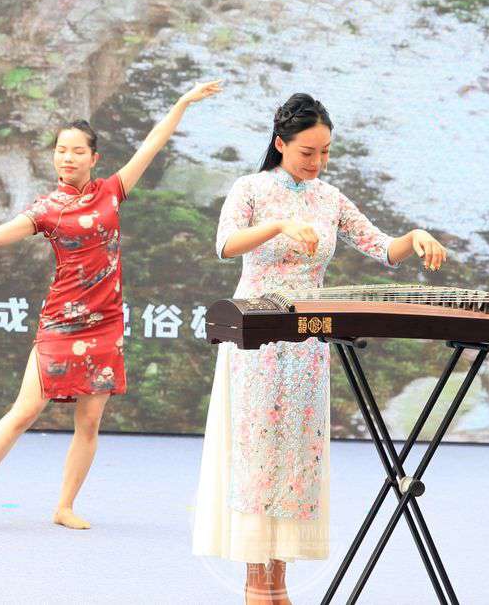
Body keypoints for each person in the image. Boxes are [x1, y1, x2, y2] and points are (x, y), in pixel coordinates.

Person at [0, 80, 223, 530]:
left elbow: (151, 144)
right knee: (24, 411)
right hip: (62, 321)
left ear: (94, 158)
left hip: (105, 322)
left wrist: (183, 101)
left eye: (76, 151)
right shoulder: (46, 209)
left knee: (88, 423)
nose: (67, 158)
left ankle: (65, 506)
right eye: (60, 150)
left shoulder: (112, 190)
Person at [191, 93, 450, 605]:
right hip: (256, 337)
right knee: (258, 449)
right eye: (308, 152)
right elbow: (225, 245)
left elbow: (381, 247)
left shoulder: (329, 198)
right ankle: (255, 583)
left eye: (325, 152)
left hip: (307, 340)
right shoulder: (250, 189)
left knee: (295, 453)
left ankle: (279, 584)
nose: (318, 162)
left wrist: (416, 235)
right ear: (280, 144)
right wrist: (279, 225)